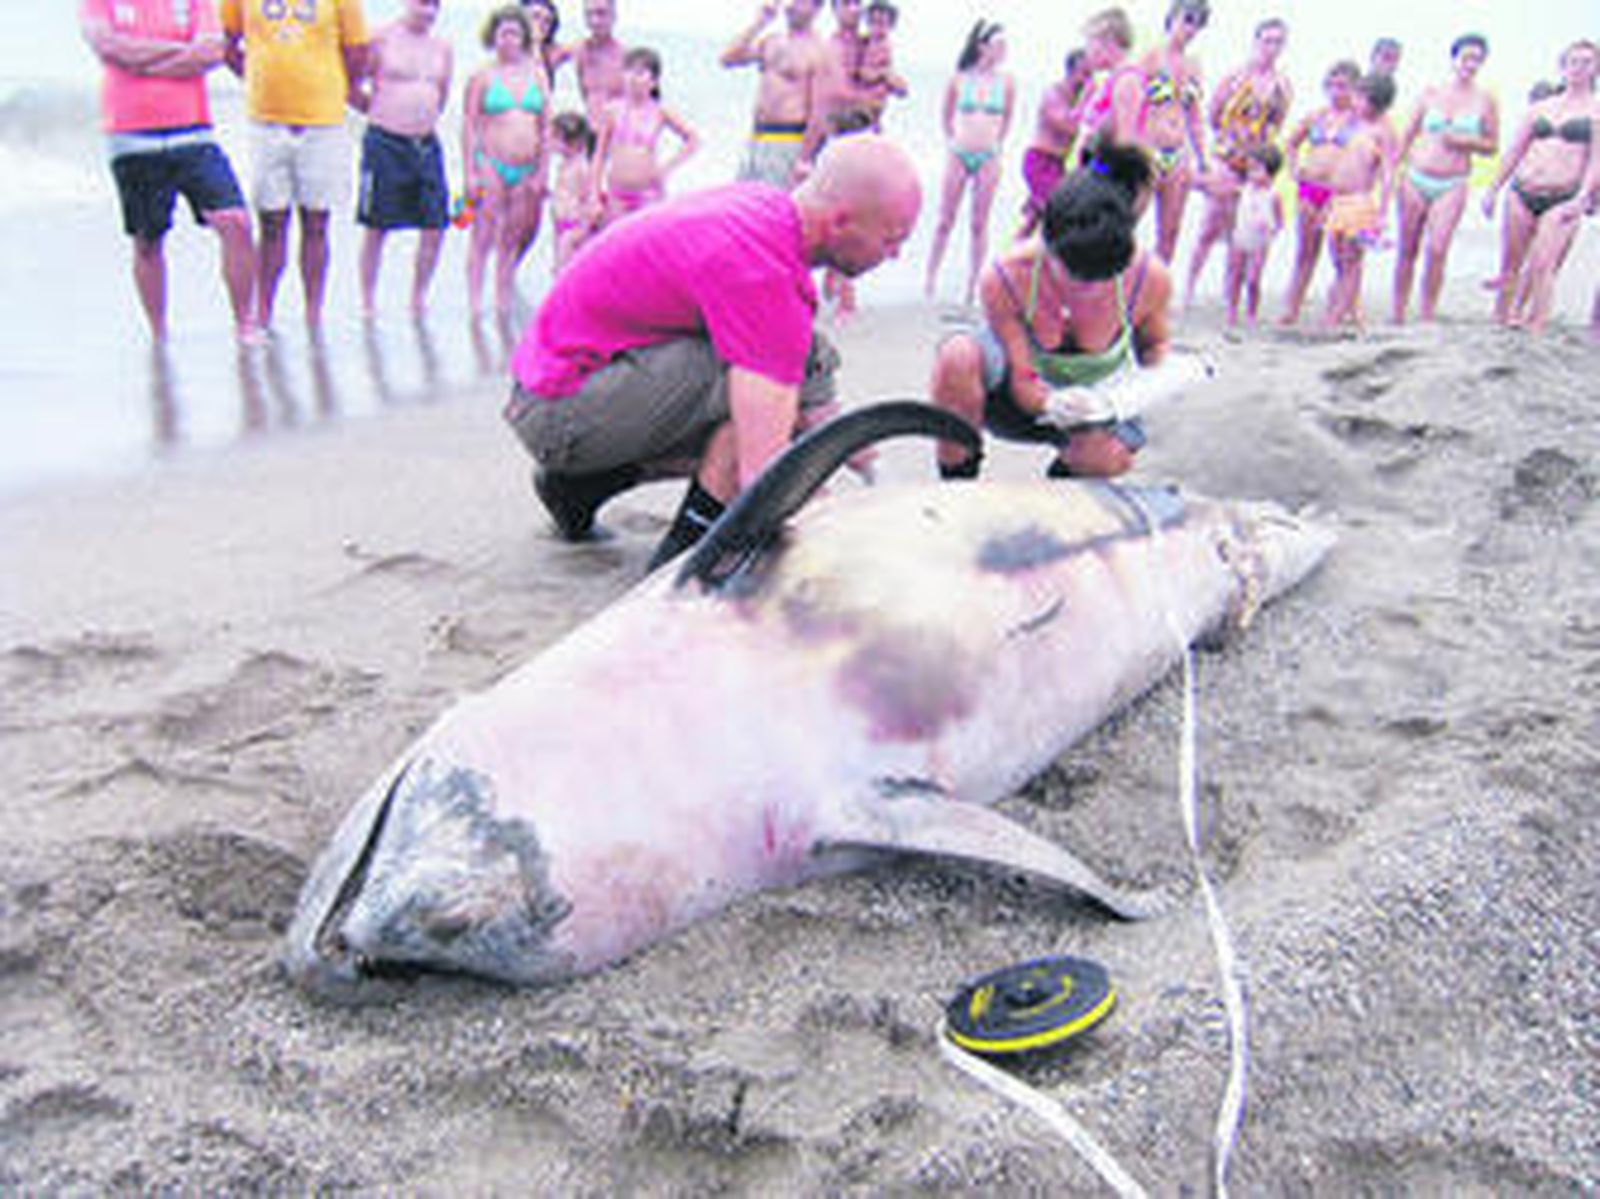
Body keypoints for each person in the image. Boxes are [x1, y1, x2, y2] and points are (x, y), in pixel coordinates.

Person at [503, 134, 921, 566]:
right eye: (891, 240)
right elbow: (764, 473)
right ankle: (682, 563)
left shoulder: (767, 210)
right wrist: (828, 529)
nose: (895, 255)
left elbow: (807, 376)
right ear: (840, 222)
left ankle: (580, 487)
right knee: (757, 400)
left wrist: (877, 477)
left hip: (562, 384)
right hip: (560, 409)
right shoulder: (761, 272)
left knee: (785, 362)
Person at [929, 143, 1173, 482]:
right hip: (1022, 401)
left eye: (1099, 278)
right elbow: (1022, 380)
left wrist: (1159, 378)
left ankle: (1066, 485)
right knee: (957, 356)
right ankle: (956, 484)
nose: (1085, 288)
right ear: (1049, 243)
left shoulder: (1149, 278)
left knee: (1103, 458)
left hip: (1101, 410)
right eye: (1074, 273)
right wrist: (1049, 404)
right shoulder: (1006, 276)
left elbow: (1155, 347)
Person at [80, 0, 258, 342]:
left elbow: (212, 51)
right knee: (148, 238)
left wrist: (142, 60)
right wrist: (180, 52)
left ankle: (245, 325)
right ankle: (159, 332)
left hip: (193, 130)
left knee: (234, 220)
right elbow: (109, 46)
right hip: (131, 134)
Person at [221, 0, 370, 330]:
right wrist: (257, 77)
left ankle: (313, 313)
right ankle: (264, 311)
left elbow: (357, 52)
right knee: (271, 221)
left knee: (316, 221)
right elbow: (226, 43)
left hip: (322, 122)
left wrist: (336, 90)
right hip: (266, 120)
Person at [1482, 40, 1600, 332]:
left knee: (1543, 263)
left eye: (1587, 62)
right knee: (1510, 264)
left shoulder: (1596, 111)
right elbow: (1515, 150)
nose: (1579, 68)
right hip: (1523, 189)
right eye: (1574, 61)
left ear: (1596, 68)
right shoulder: (1541, 108)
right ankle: (1501, 319)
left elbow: (1596, 160)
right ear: (1563, 66)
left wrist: (1584, 196)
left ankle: (1537, 325)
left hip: (1563, 195)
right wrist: (1492, 190)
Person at [352, 0, 453, 318]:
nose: (429, 12)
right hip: (385, 139)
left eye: (435, 6)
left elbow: (442, 92)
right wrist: (376, 110)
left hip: (424, 142)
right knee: (377, 224)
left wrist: (422, 117)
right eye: (423, 4)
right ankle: (368, 299)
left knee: (436, 222)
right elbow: (350, 82)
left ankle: (418, 297)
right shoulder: (381, 38)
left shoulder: (442, 47)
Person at [1185, 17, 1292, 306]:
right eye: (1266, 40)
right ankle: (1190, 287)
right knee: (1211, 224)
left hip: (1257, 164)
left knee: (1243, 231)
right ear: (1256, 41)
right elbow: (1213, 114)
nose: (1271, 47)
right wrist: (1228, 143)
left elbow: (1277, 122)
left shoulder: (1282, 84)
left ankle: (1231, 293)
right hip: (1228, 157)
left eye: (1277, 41)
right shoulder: (1235, 77)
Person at [1390, 34, 1497, 324]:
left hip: (1452, 181)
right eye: (1465, 56)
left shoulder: (1485, 100)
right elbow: (1407, 135)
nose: (1470, 63)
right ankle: (1398, 311)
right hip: (1416, 176)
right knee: (1407, 247)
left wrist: (1465, 141)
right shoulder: (1430, 92)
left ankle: (1427, 311)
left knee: (1437, 248)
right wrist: (1391, 174)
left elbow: (1491, 145)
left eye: (1476, 58)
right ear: (1454, 59)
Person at [462, 5, 552, 315]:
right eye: (503, 33)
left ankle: (502, 302)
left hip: (526, 168)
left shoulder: (538, 75)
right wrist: (470, 172)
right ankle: (474, 303)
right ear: (493, 36)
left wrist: (543, 171)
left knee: (511, 238)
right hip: (491, 163)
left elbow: (546, 126)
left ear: (524, 38)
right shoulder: (482, 76)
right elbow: (469, 125)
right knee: (482, 234)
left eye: (515, 33)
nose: (509, 40)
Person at [923, 20, 1015, 306]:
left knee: (979, 223)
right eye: (997, 45)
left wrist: (996, 146)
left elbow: (1007, 119)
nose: (1002, 51)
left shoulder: (1007, 82)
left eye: (1004, 46)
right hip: (959, 152)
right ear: (982, 46)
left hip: (989, 155)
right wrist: (954, 142)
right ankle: (930, 277)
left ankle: (973, 285)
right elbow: (946, 115)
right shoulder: (959, 78)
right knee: (945, 220)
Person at [1124, 0, 1211, 264]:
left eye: (1198, 23)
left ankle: (1153, 294)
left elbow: (1194, 116)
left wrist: (1203, 157)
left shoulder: (1194, 66)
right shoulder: (1150, 57)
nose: (1191, 28)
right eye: (1187, 19)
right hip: (1150, 147)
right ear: (1171, 18)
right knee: (1128, 221)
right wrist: (1133, 146)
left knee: (1170, 232)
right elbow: (1128, 100)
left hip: (1179, 153)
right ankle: (1112, 289)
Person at [1279, 59, 1361, 325]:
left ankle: (1345, 307)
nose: (1338, 92)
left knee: (1343, 256)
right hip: (1310, 188)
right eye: (1333, 85)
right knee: (1305, 251)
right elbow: (1291, 143)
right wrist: (1294, 168)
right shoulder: (1317, 116)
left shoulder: (1360, 120)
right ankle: (1292, 307)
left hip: (1340, 193)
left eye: (1344, 86)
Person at [721, 1, 832, 189]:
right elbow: (728, 58)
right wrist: (760, 22)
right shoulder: (771, 41)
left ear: (816, 8)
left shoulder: (819, 51)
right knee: (743, 201)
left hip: (787, 140)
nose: (791, 5)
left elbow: (819, 112)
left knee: (773, 204)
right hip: (758, 136)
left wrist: (805, 158)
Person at [1321, 72, 1396, 330]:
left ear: (1374, 102)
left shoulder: (1382, 132)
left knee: (1351, 260)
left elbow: (1387, 175)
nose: (1354, 101)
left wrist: (1383, 212)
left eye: (1360, 98)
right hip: (1338, 200)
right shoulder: (1351, 125)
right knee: (1337, 259)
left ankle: (1334, 318)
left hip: (1359, 201)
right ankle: (1347, 310)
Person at [592, 47, 699, 225]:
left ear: (654, 82)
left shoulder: (660, 111)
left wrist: (667, 168)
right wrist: (594, 195)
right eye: (628, 71)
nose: (633, 78)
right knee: (619, 244)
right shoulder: (612, 110)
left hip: (648, 194)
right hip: (617, 195)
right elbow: (599, 156)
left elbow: (693, 140)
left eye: (640, 73)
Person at [1018, 50, 1094, 239]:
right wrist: (1086, 99)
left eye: (1090, 75)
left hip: (1059, 164)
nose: (1087, 80)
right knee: (1058, 214)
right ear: (1071, 71)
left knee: (1033, 219)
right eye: (1084, 74)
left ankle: (1014, 256)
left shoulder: (1079, 98)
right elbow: (1068, 126)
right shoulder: (1053, 94)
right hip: (1039, 160)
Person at [1224, 144, 1284, 327]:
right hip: (1240, 236)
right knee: (1234, 275)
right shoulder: (1244, 190)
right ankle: (1232, 311)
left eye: (1257, 170)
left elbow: (1280, 222)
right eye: (1250, 169)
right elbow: (1232, 207)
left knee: (1253, 279)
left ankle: (1251, 313)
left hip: (1259, 240)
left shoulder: (1273, 195)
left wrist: (1271, 229)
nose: (1252, 174)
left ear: (1271, 173)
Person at [548, 111, 599, 272]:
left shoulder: (581, 168)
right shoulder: (564, 165)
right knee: (558, 268)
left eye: (554, 138)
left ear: (573, 143)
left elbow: (588, 199)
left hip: (573, 227)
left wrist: (583, 230)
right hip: (561, 225)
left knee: (567, 270)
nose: (550, 143)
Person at [563, 0, 626, 123]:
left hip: (618, 133)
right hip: (590, 131)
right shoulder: (580, 51)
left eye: (601, 13)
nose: (595, 21)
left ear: (613, 16)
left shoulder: (625, 56)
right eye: (589, 14)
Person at [855, 0, 907, 129]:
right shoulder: (864, 43)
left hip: (875, 98)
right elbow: (864, 73)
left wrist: (886, 77)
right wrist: (883, 75)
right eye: (873, 22)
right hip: (863, 99)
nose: (877, 28)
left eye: (882, 23)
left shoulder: (884, 46)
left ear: (891, 26)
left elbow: (885, 73)